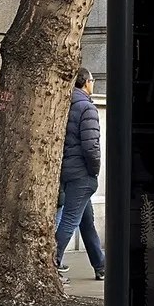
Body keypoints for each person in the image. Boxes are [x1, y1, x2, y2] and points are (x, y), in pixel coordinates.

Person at [56, 67, 106, 280]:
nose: (93, 84)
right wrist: (94, 171)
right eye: (92, 80)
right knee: (70, 220)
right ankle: (51, 262)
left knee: (86, 221)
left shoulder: (63, 106)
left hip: (68, 171)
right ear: (85, 82)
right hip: (82, 173)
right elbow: (91, 146)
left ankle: (100, 265)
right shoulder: (87, 108)